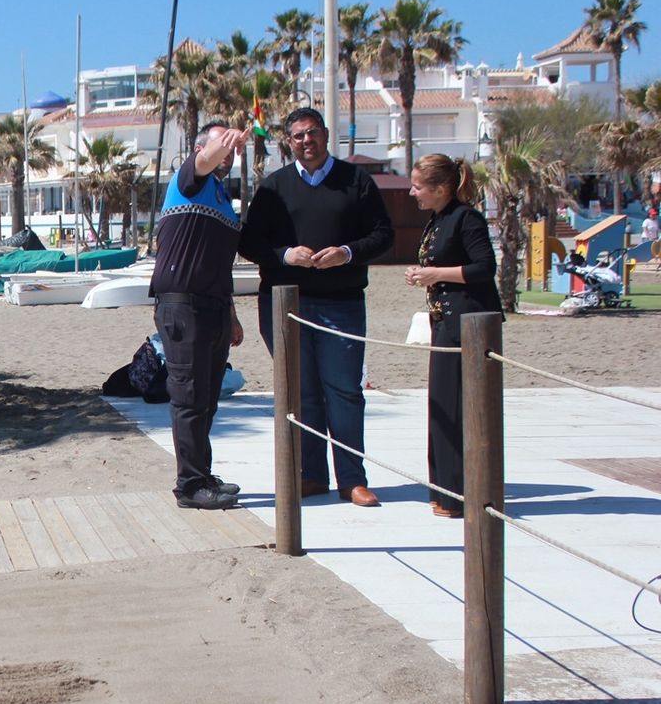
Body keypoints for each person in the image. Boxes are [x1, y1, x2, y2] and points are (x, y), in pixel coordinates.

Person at [239, 106, 394, 507]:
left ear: (325, 135)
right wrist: (286, 255)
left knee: (344, 392)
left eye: (312, 133)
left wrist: (347, 252)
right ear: (288, 142)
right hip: (284, 305)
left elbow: (383, 236)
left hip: (341, 304)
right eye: (297, 136)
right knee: (300, 393)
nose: (306, 142)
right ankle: (311, 475)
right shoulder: (274, 187)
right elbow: (250, 243)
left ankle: (352, 480)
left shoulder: (356, 181)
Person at [149, 120, 247, 509]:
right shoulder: (189, 179)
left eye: (231, 144)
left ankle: (202, 475)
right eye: (221, 141)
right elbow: (207, 159)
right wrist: (221, 146)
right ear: (200, 150)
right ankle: (189, 487)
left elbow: (220, 263)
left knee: (207, 398)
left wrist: (233, 314)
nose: (229, 150)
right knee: (188, 399)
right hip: (182, 304)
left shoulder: (222, 196)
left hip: (215, 305)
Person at [404, 155, 500, 519]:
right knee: (441, 404)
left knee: (459, 406)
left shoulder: (466, 218)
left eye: (418, 186)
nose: (413, 192)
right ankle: (444, 487)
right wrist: (425, 274)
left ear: (441, 188)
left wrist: (436, 273)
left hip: (469, 324)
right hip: (445, 321)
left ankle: (459, 493)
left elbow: (484, 267)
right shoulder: (438, 219)